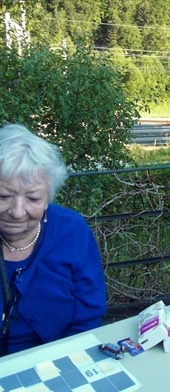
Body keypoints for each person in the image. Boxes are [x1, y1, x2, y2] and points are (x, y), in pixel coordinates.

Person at [0, 124, 106, 356]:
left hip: (58, 358)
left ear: (48, 198)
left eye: (33, 198)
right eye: (4, 196)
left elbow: (87, 317)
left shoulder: (72, 231)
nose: (17, 211)